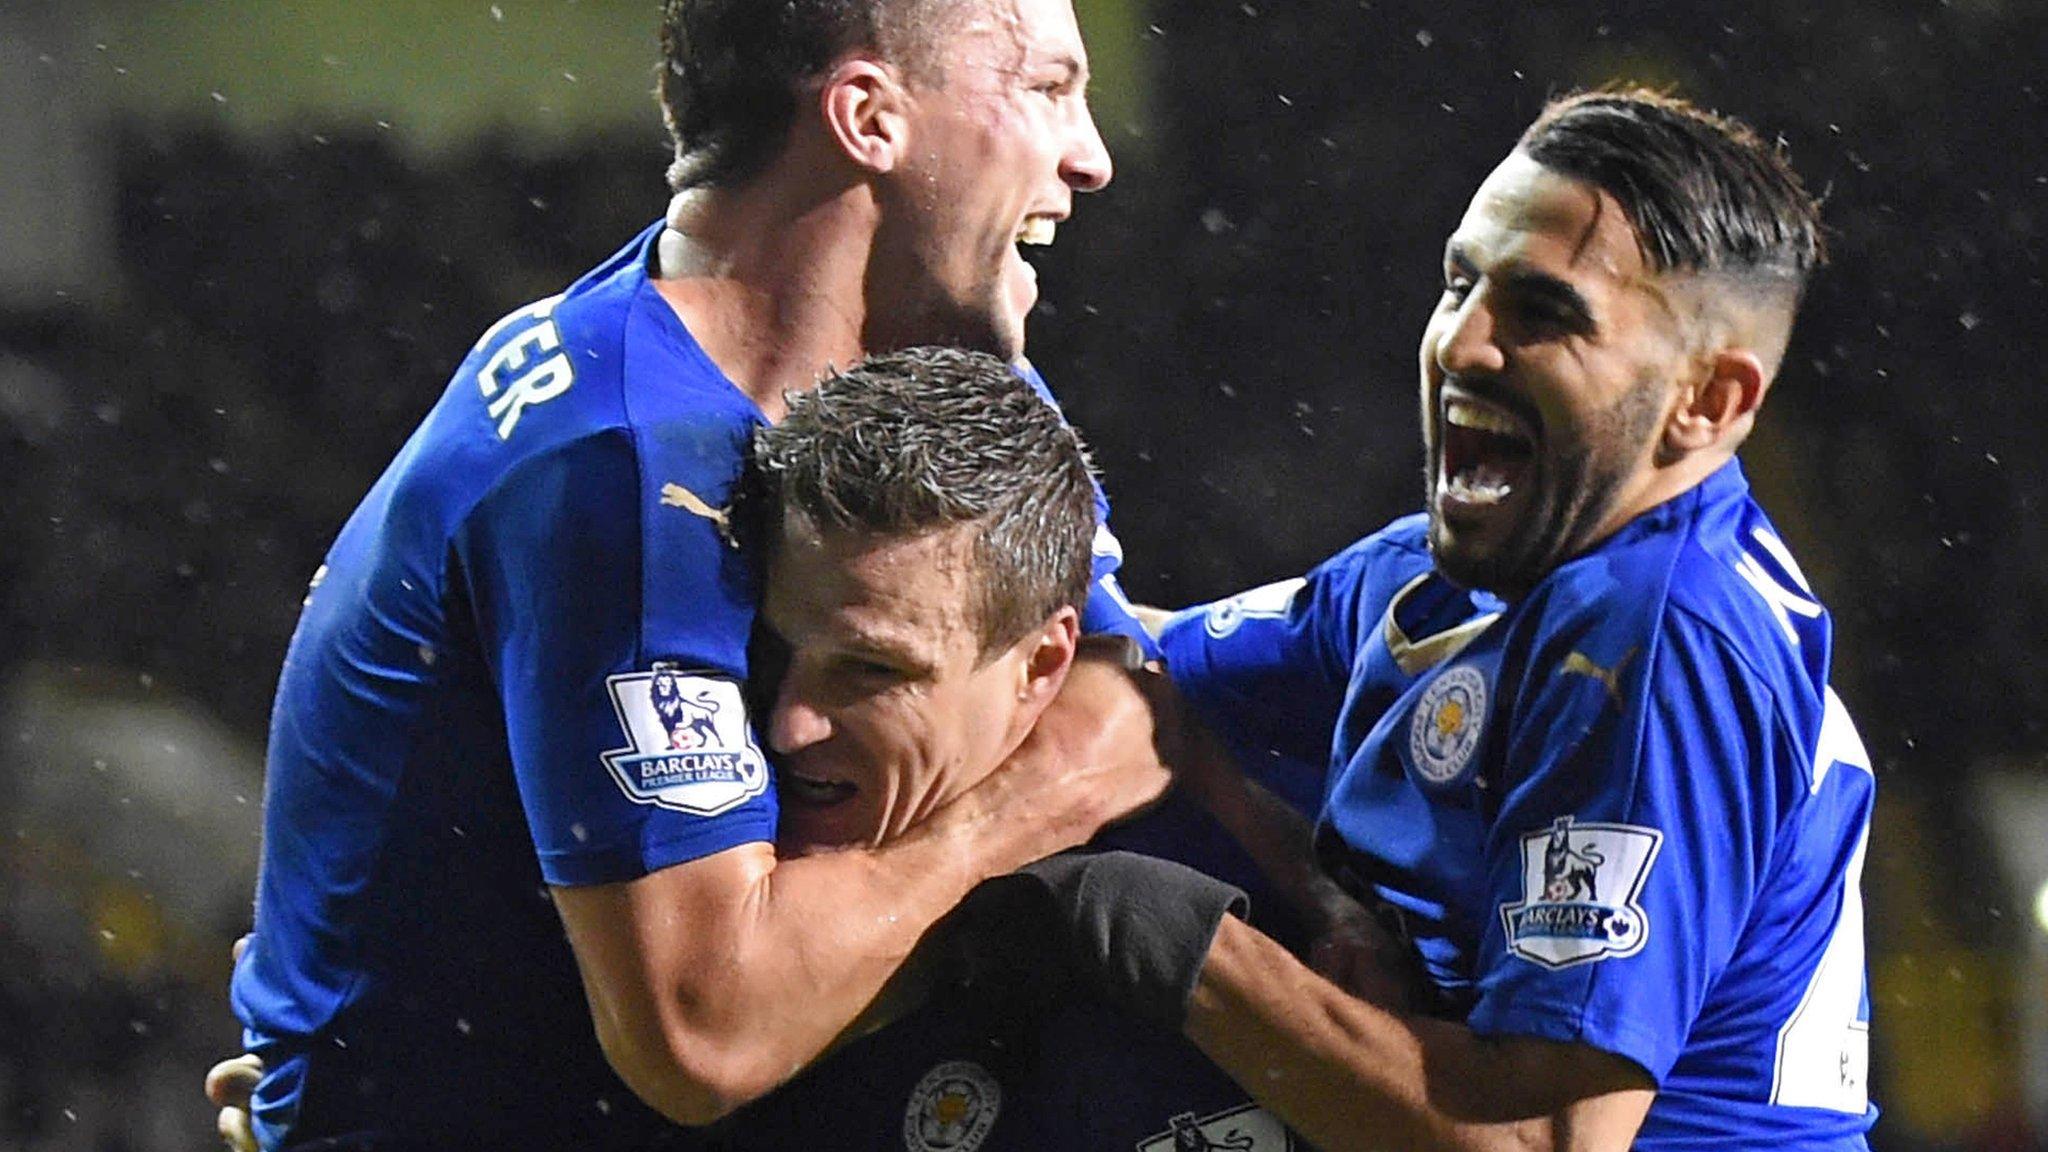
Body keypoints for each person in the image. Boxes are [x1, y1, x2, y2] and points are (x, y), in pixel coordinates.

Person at [220, 1, 1173, 1148]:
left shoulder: (930, 382)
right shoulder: (621, 462)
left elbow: (1125, 700)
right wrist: (1018, 816)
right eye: (1044, 88)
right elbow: (706, 1033)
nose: (1091, 155)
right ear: (867, 116)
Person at [1011, 89, 1879, 1150]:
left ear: (1705, 402)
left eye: (1541, 313)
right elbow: (1134, 670)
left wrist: (1165, 937)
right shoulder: (1448, 574)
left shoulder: (1657, 640)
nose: (1460, 345)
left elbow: (1537, 1140)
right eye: (1457, 284)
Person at [703, 346, 1298, 1151]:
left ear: (1043, 664)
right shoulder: (682, 907)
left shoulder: (1239, 937)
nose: (788, 726)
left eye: (872, 671)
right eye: (770, 650)